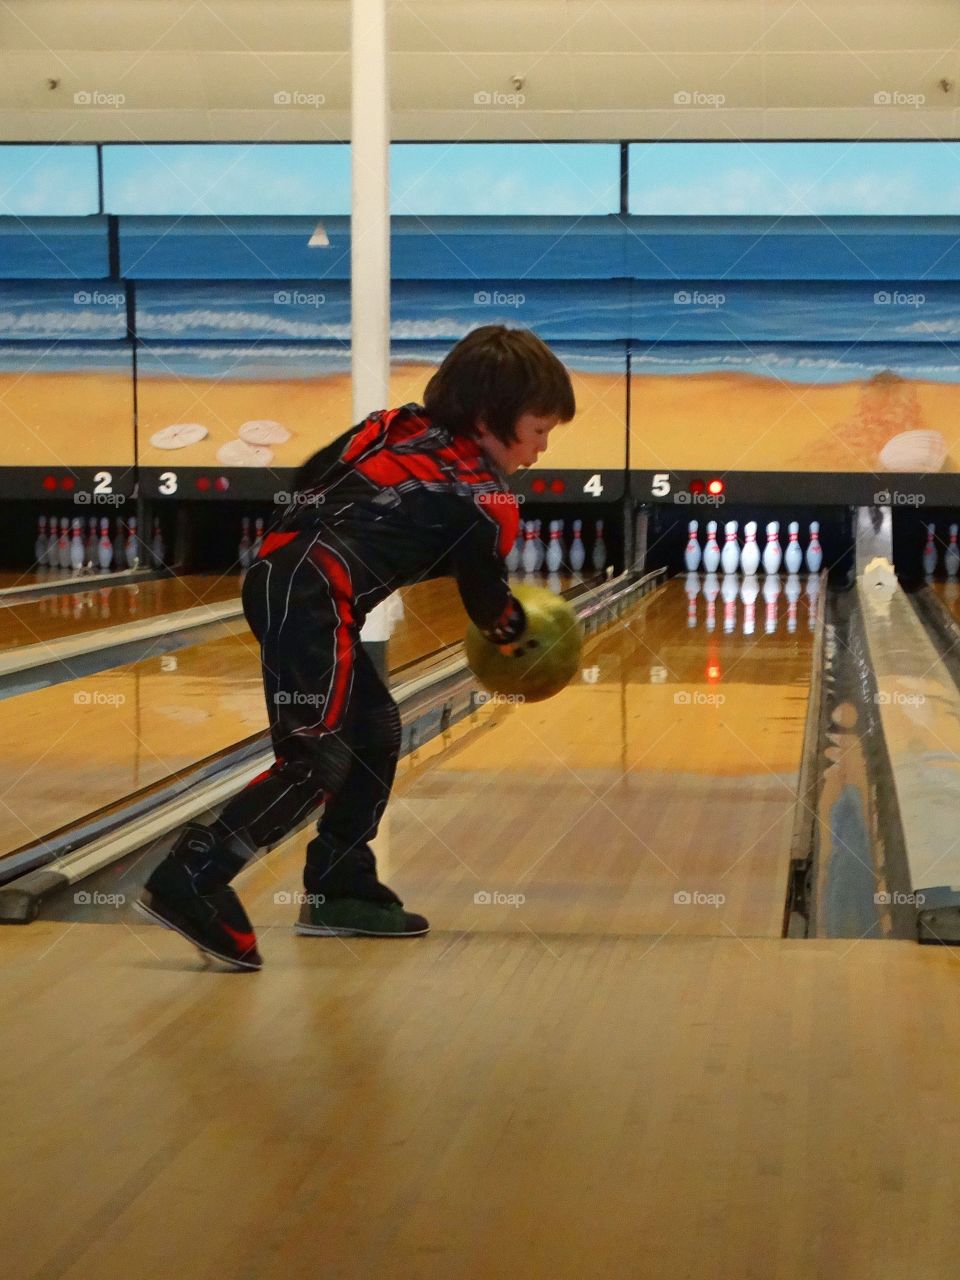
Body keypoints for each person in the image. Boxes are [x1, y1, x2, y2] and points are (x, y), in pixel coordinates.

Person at [135, 325, 576, 970]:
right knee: (315, 761)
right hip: (317, 599)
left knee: (373, 729)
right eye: (539, 431)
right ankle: (192, 876)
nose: (540, 451)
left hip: (279, 573)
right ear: (489, 419)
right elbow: (490, 606)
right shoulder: (485, 497)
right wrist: (523, 640)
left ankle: (340, 885)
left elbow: (310, 480)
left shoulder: (391, 424)